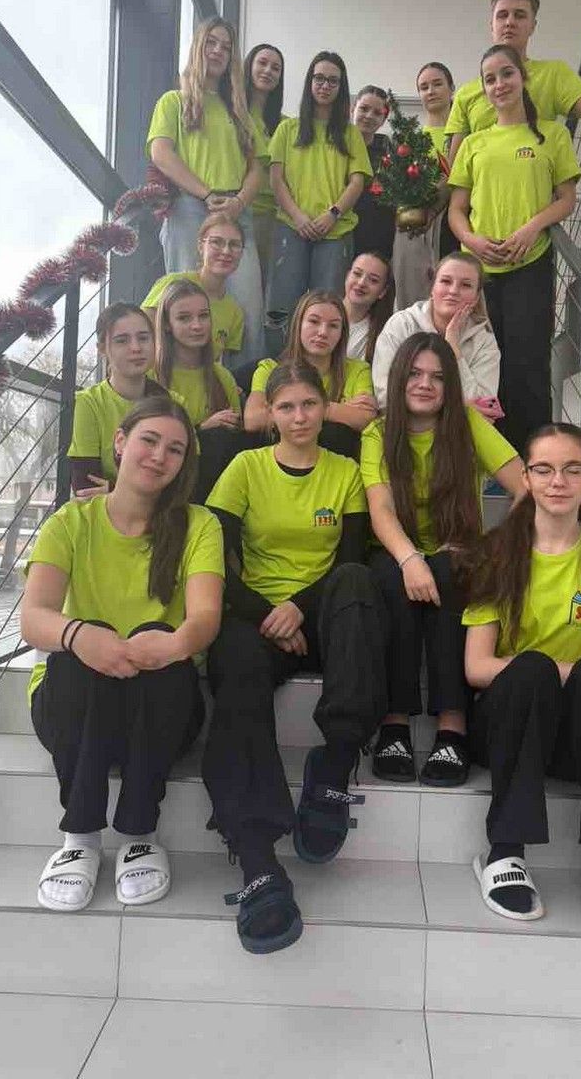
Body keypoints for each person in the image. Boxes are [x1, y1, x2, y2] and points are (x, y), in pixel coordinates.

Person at [203, 361, 387, 954]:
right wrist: (268, 616)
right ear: (272, 414)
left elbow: (350, 556)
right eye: (286, 407)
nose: (300, 417)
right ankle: (257, 859)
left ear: (324, 406)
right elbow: (214, 559)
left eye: (310, 404)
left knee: (359, 581)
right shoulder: (245, 467)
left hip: (322, 614)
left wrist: (299, 610)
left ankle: (334, 764)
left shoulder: (345, 471)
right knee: (234, 662)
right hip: (258, 615)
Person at [21, 396, 224, 912]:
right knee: (76, 646)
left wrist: (173, 644)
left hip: (157, 713)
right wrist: (81, 637)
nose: (159, 456)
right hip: (75, 711)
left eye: (175, 449)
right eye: (149, 440)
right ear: (119, 443)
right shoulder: (71, 521)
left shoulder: (200, 524)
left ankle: (139, 832)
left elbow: (204, 618)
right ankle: (80, 837)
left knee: (162, 639)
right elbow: (33, 619)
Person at [461, 422, 581, 926]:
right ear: (526, 477)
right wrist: (553, 670)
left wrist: (565, 673)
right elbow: (476, 667)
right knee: (532, 669)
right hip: (508, 727)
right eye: (543, 469)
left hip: (573, 739)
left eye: (572, 469)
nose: (557, 481)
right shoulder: (496, 558)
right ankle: (505, 852)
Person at [362, 334, 524, 785]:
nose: (425, 384)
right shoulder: (377, 433)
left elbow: (525, 487)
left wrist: (492, 546)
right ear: (398, 378)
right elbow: (381, 509)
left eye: (437, 377)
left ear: (450, 385)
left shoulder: (467, 424)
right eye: (415, 374)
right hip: (397, 550)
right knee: (390, 578)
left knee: (450, 572)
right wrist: (410, 559)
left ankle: (452, 727)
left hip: (456, 552)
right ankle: (395, 722)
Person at [448, 45, 581, 453]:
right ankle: (489, 457)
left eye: (507, 74)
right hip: (479, 273)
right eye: (490, 79)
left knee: (528, 365)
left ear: (523, 78)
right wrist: (472, 241)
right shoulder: (474, 143)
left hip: (530, 265)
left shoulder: (552, 135)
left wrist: (531, 228)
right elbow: (456, 210)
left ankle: (534, 458)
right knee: (482, 362)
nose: (499, 84)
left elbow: (566, 198)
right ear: (484, 89)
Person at [147, 17, 266, 363]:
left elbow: (258, 167)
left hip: (237, 213)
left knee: (249, 309)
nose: (218, 51)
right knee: (186, 304)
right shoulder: (173, 101)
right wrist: (204, 194)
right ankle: (180, 382)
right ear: (198, 47)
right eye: (211, 42)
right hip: (190, 209)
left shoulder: (240, 112)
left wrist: (239, 201)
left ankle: (245, 388)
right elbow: (161, 152)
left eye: (226, 47)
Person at [446, 0, 581, 164]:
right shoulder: (465, 94)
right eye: (502, 15)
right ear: (492, 25)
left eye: (520, 15)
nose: (509, 22)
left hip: (538, 188)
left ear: (533, 26)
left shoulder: (553, 74)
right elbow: (454, 170)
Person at [265, 51, 372, 349]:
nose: (325, 85)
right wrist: (298, 217)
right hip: (291, 227)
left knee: (329, 309)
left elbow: (357, 182)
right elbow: (276, 180)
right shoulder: (287, 129)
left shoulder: (350, 134)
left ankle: (325, 371)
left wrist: (332, 214)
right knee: (281, 309)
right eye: (319, 78)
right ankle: (279, 369)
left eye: (333, 81)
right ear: (310, 82)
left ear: (341, 87)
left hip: (335, 232)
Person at [244, 290, 377, 459]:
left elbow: (366, 418)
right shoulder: (269, 369)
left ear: (342, 333)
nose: (323, 332)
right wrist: (336, 410)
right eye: (314, 321)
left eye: (333, 326)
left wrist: (286, 410)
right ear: (298, 324)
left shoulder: (358, 370)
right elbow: (253, 419)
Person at [371, 252, 499, 410]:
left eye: (466, 285)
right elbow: (384, 394)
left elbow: (485, 408)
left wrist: (453, 348)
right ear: (432, 287)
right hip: (404, 422)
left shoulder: (484, 340)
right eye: (446, 281)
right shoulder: (402, 324)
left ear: (476, 297)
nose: (453, 291)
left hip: (457, 426)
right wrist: (451, 408)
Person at [67, 303, 170, 499]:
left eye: (143, 338)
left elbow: (183, 482)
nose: (136, 348)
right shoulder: (89, 402)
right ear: (102, 349)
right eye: (122, 341)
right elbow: (85, 486)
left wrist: (114, 489)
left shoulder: (172, 402)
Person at [152, 279, 242, 500]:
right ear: (167, 324)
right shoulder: (150, 376)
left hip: (214, 489)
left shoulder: (223, 377)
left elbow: (234, 447)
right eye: (184, 318)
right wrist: (201, 429)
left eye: (203, 316)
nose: (197, 325)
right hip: (162, 486)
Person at [393, 62, 458, 311]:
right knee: (414, 298)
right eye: (424, 87)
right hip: (415, 226)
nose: (430, 91)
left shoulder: (464, 136)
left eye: (437, 84)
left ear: (452, 89)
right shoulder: (410, 139)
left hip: (452, 224)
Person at [142, 213, 246, 367]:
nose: (226, 251)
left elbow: (217, 363)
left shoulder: (234, 312)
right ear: (201, 246)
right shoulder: (172, 283)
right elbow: (140, 333)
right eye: (216, 242)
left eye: (234, 245)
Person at [244, 42, 285, 279]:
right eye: (262, 63)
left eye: (276, 68)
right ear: (249, 66)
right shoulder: (233, 114)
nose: (268, 71)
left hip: (271, 218)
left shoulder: (285, 124)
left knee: (262, 288)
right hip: (236, 209)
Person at [351, 84, 395, 260]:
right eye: (364, 109)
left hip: (380, 239)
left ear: (383, 120)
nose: (369, 116)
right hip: (340, 234)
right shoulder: (335, 147)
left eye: (377, 113)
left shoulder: (391, 152)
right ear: (352, 109)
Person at [341, 251, 395, 363]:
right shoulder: (319, 311)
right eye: (357, 274)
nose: (361, 283)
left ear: (383, 291)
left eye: (373, 280)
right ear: (347, 277)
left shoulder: (384, 334)